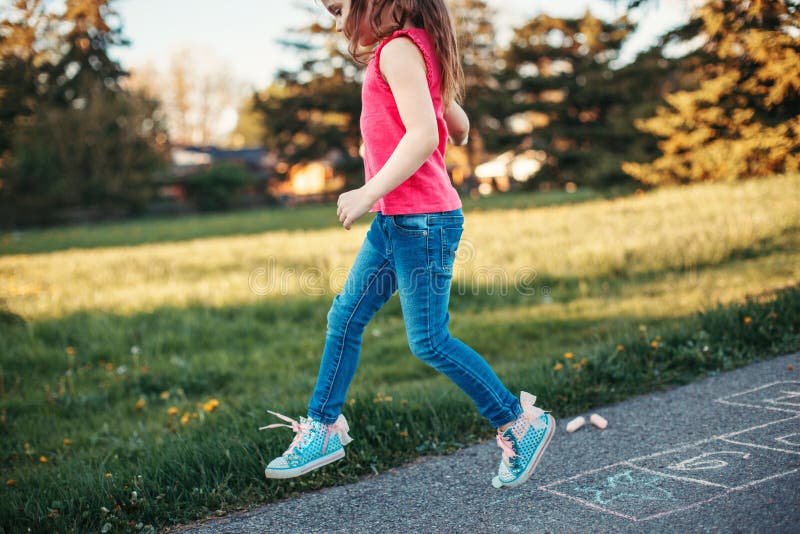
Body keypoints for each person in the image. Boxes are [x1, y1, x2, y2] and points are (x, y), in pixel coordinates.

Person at [259, 0, 556, 489]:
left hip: (422, 222)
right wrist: (444, 111)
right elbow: (455, 127)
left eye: (338, 9)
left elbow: (422, 136)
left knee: (429, 340)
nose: (336, 24)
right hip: (399, 222)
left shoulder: (398, 52)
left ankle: (519, 423)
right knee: (346, 316)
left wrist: (366, 191)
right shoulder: (413, 52)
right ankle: (325, 426)